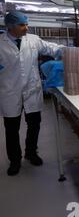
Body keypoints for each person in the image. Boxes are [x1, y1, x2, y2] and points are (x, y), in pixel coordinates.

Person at [0, 11, 63, 176]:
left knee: (34, 125)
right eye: (22, 25)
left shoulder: (33, 40)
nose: (26, 28)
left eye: (26, 24)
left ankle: (31, 153)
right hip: (10, 91)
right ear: (10, 27)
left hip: (31, 90)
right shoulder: (1, 43)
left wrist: (67, 51)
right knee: (11, 129)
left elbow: (51, 48)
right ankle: (15, 161)